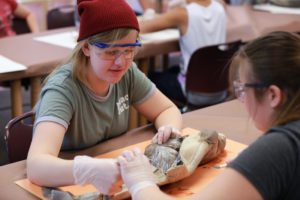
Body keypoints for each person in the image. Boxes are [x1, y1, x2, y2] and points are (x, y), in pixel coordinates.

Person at [118, 31, 300, 200]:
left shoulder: (278, 148)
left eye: (243, 89)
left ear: (273, 95)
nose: (242, 100)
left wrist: (140, 183)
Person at [26, 0, 182, 196]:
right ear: (86, 48)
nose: (121, 62)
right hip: (70, 184)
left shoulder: (127, 73)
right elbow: (36, 166)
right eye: (111, 52)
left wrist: (169, 127)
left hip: (111, 178)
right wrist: (88, 170)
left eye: (129, 50)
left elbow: (165, 109)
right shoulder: (63, 89)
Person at [141, 0, 226, 107]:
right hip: (219, 89)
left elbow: (142, 27)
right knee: (171, 70)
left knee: (145, 78)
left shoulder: (182, 13)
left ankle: (144, 120)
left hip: (192, 92)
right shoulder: (220, 8)